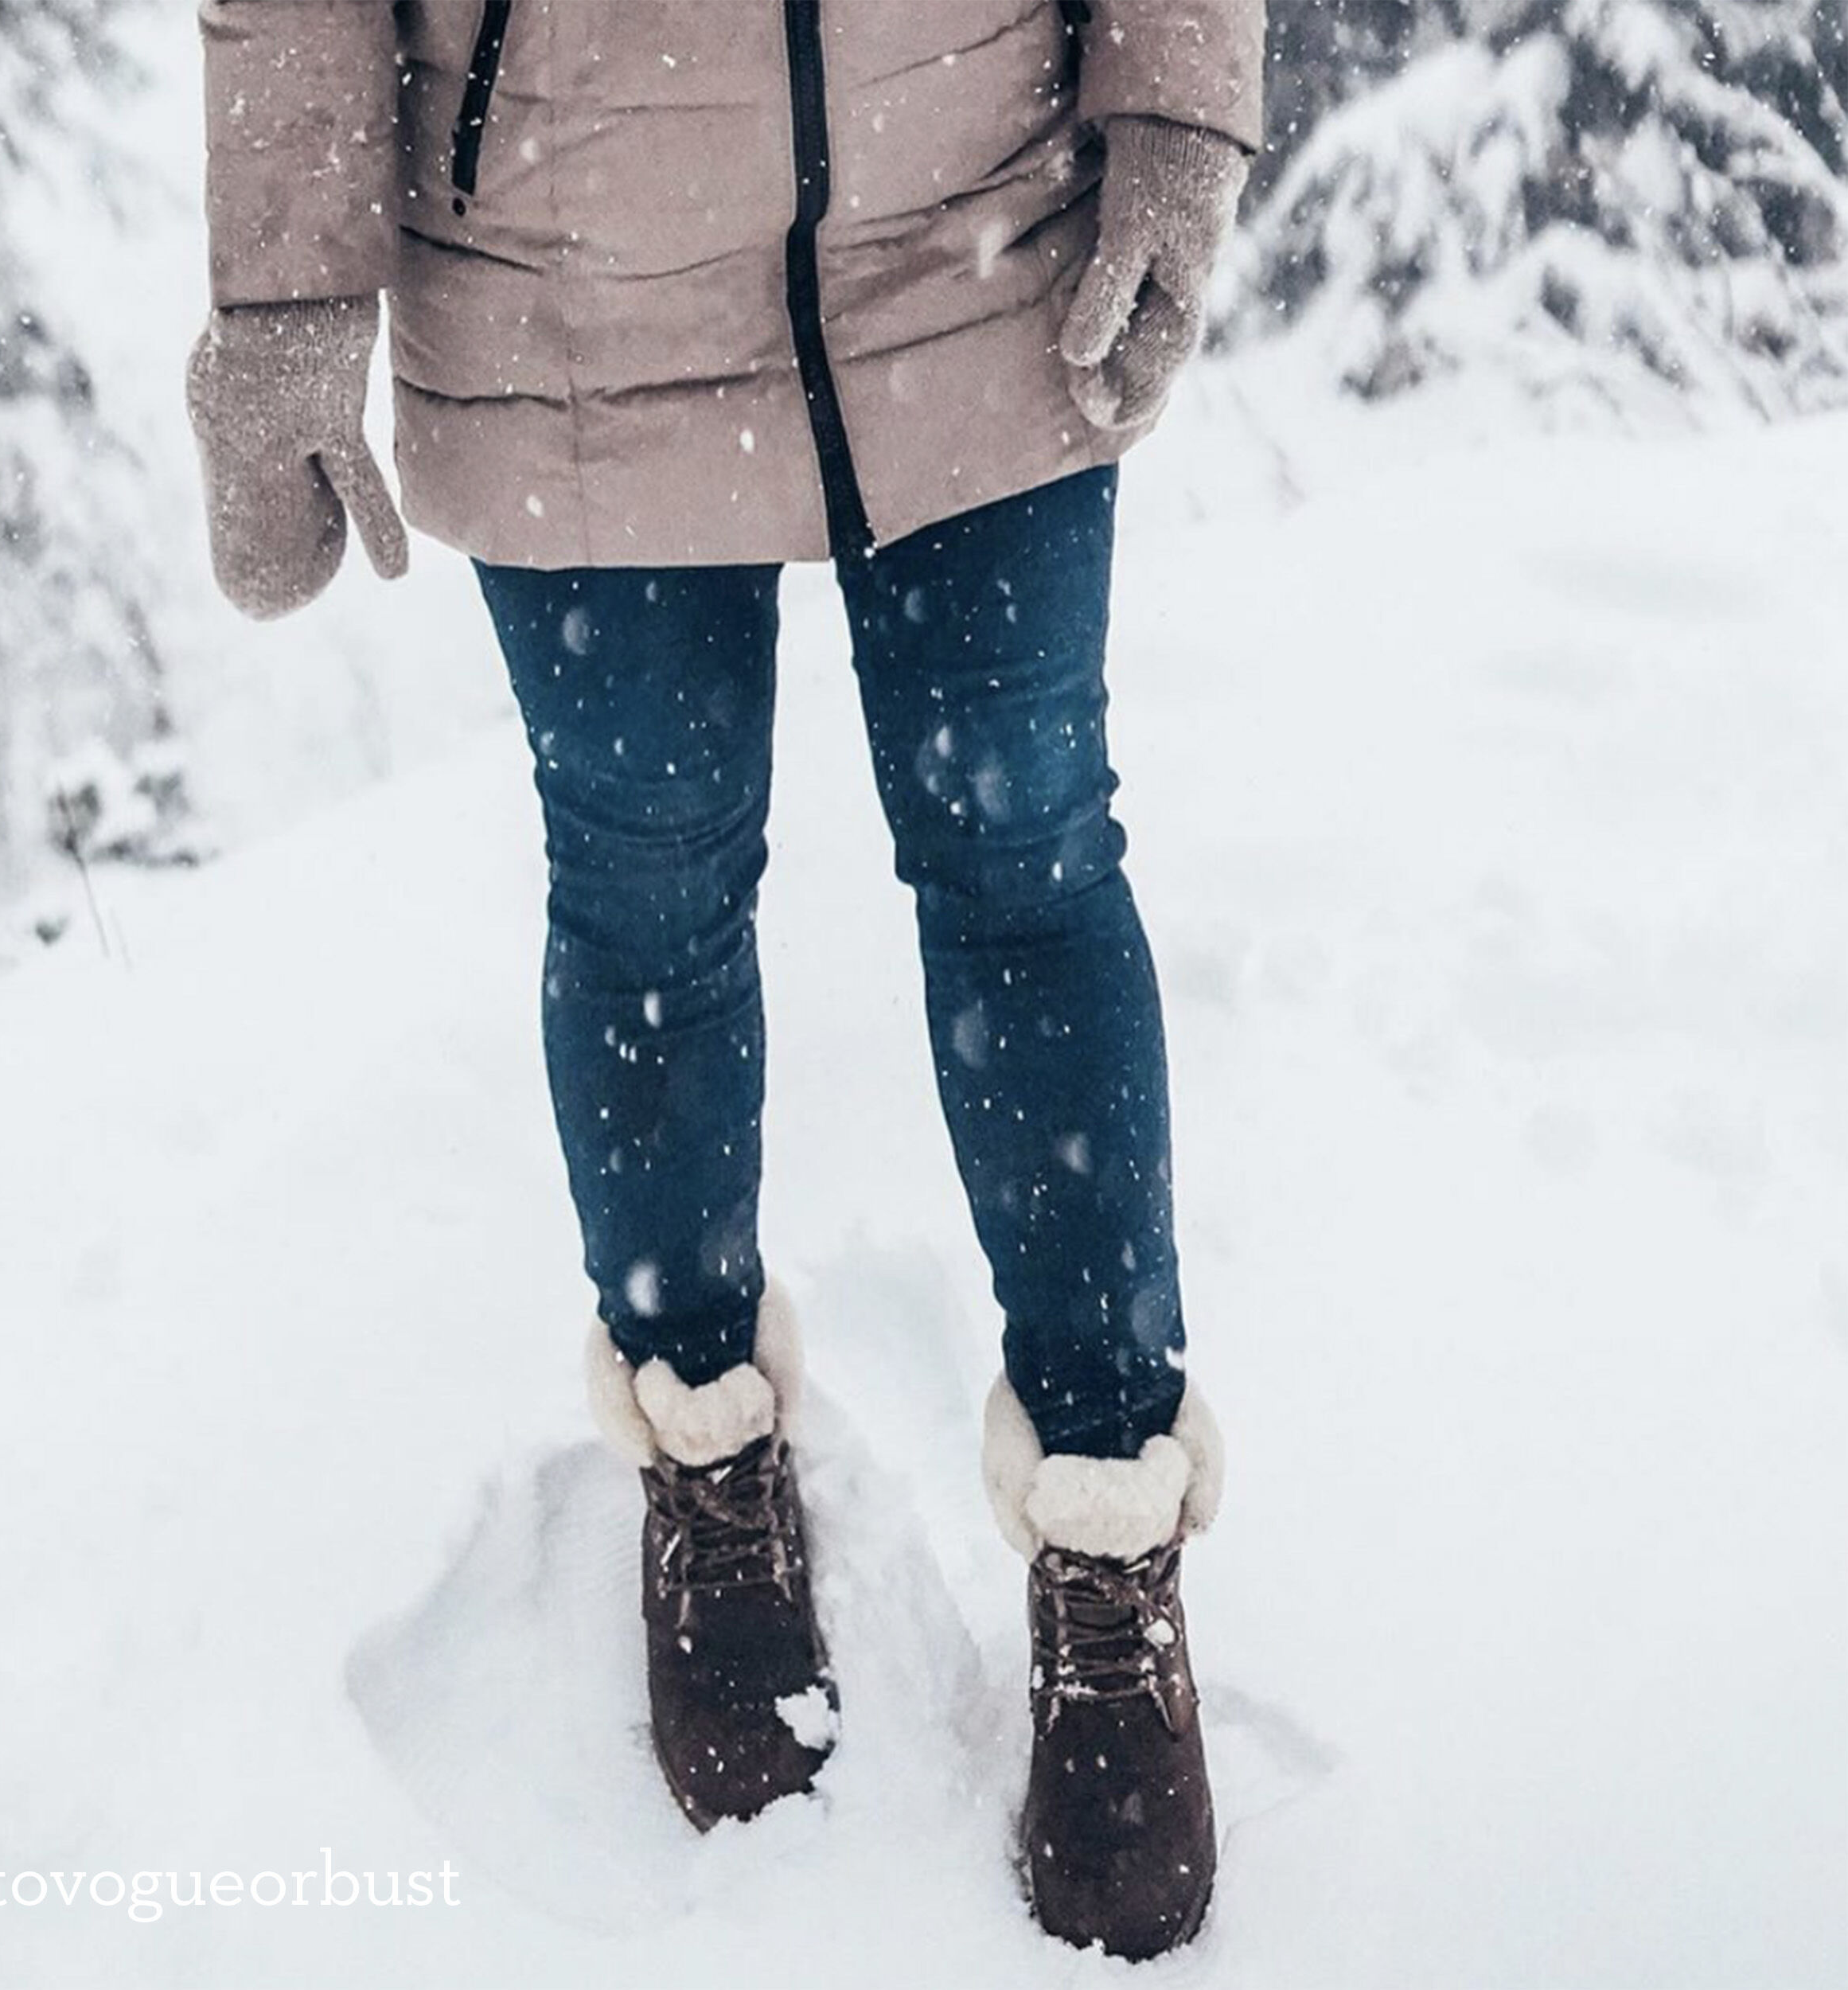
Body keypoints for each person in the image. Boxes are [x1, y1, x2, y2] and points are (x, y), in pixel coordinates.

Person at [188, 0, 1261, 1957]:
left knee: (1026, 862)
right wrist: (281, 295)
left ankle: (1108, 1537)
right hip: (562, 268)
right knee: (646, 890)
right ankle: (704, 1447)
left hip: (975, 219)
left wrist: (1174, 105)